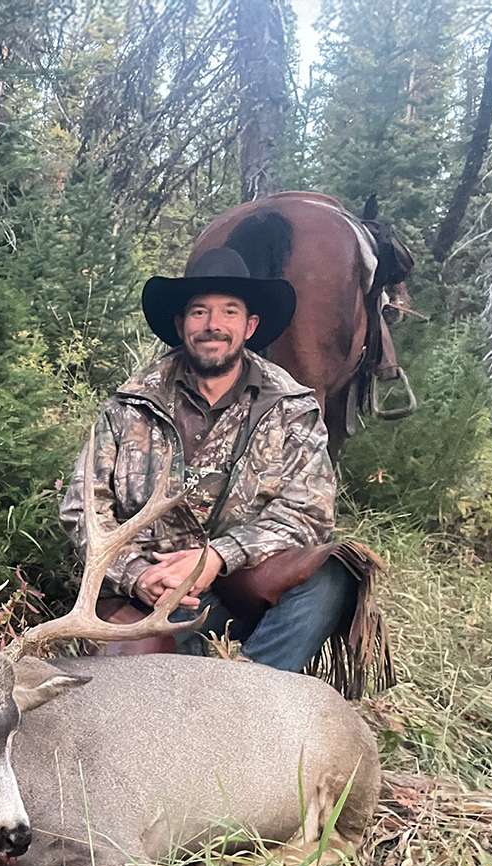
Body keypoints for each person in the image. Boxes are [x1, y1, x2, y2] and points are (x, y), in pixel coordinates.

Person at [58, 246, 359, 670]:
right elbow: (81, 508)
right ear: (181, 325)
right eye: (199, 312)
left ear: (250, 326)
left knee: (333, 574)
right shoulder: (130, 406)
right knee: (132, 690)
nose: (213, 325)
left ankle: (255, 693)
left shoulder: (290, 407)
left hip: (241, 582)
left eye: (229, 312)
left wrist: (218, 558)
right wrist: (136, 575)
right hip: (148, 594)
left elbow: (309, 513)